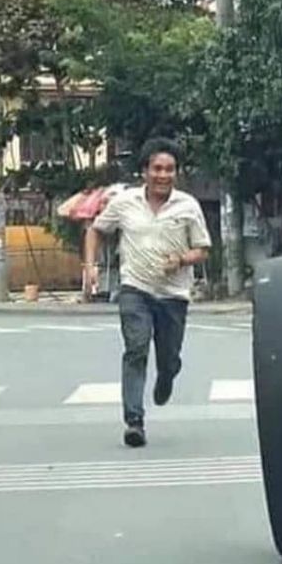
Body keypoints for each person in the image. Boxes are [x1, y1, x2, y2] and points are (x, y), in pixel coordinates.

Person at [83, 137, 211, 448]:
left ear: (176, 173)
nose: (163, 175)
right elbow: (96, 230)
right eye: (157, 168)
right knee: (136, 349)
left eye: (169, 169)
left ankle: (167, 374)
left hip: (173, 295)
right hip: (135, 289)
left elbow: (203, 250)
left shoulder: (188, 206)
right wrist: (90, 266)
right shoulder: (125, 203)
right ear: (145, 171)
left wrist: (181, 259)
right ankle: (134, 421)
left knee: (168, 356)